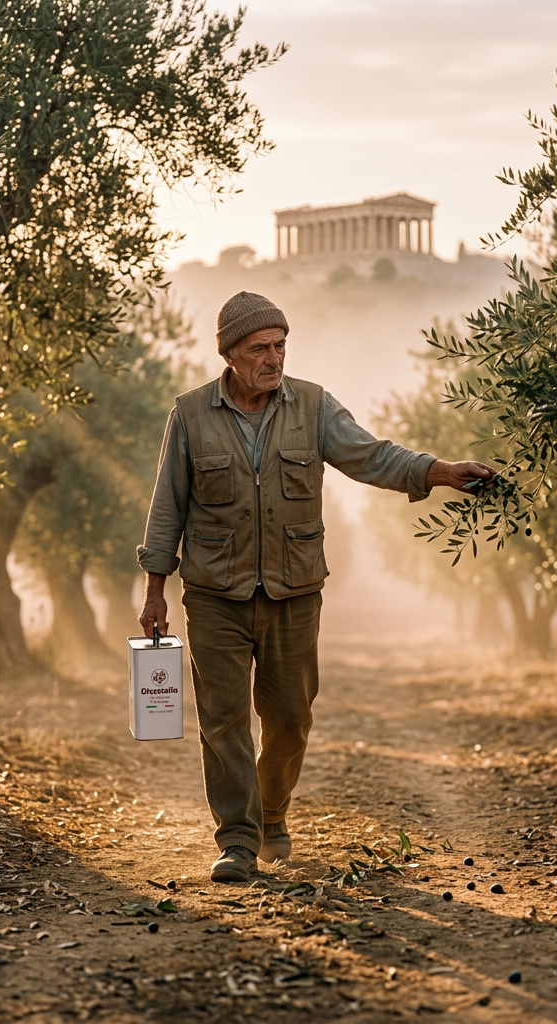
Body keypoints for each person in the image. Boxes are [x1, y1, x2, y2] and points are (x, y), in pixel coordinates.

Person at [137, 291, 493, 883]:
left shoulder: (313, 406)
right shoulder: (191, 414)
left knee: (290, 718)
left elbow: (370, 456)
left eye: (280, 346)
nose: (273, 359)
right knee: (222, 721)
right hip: (213, 594)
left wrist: (439, 471)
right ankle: (239, 840)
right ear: (229, 353)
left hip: (295, 591)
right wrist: (154, 591)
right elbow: (166, 507)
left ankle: (272, 812)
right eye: (259, 349)